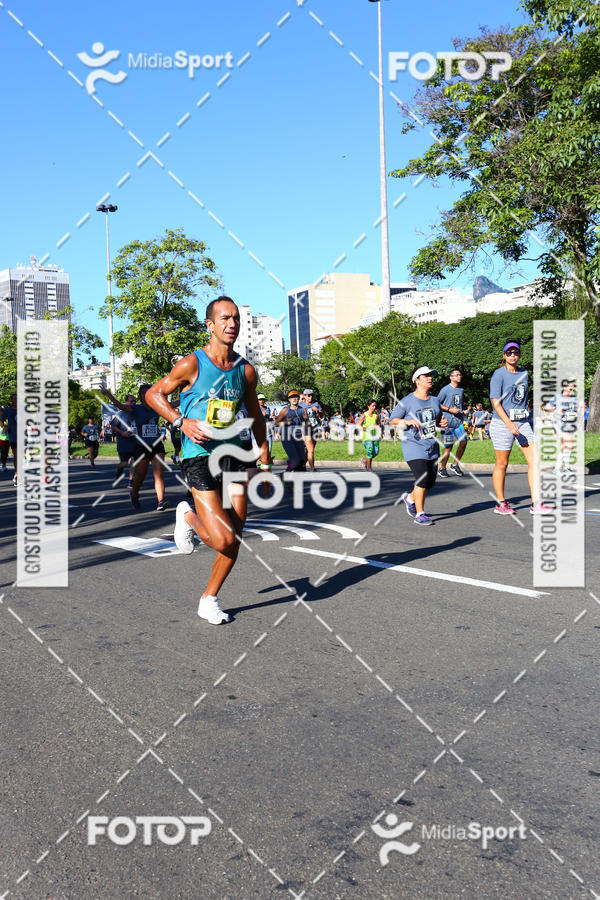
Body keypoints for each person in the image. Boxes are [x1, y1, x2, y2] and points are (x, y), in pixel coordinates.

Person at [145, 295, 270, 625]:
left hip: (235, 455)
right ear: (210, 325)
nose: (232, 324)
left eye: (236, 318)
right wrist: (180, 421)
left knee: (235, 536)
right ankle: (187, 515)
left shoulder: (245, 370)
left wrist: (265, 461)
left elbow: (256, 416)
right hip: (199, 455)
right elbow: (153, 394)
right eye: (225, 318)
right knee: (222, 538)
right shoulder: (192, 364)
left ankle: (208, 599)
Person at [489, 340, 551, 515]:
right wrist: (509, 423)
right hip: (502, 423)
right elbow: (495, 402)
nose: (512, 355)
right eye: (509, 352)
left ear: (519, 354)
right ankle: (501, 503)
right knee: (502, 463)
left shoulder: (524, 373)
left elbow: (523, 399)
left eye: (515, 352)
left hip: (522, 422)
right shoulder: (498, 374)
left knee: (535, 459)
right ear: (504, 355)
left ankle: (536, 503)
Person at [389, 367, 455, 525]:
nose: (430, 378)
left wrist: (442, 423)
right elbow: (392, 421)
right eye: (426, 376)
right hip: (413, 445)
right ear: (417, 380)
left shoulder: (435, 400)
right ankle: (420, 514)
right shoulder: (407, 401)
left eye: (430, 376)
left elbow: (437, 420)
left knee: (430, 482)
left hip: (431, 445)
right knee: (423, 478)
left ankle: (410, 498)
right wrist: (407, 421)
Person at [101, 384, 169, 510]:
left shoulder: (157, 406)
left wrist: (190, 393)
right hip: (141, 446)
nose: (146, 394)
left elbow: (172, 405)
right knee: (141, 475)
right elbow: (119, 405)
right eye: (143, 393)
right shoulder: (136, 408)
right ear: (140, 396)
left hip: (156, 444)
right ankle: (134, 493)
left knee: (159, 474)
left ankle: (161, 501)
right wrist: (108, 394)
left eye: (148, 392)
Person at [437, 368, 468, 477]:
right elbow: (437, 403)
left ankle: (455, 465)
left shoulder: (461, 390)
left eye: (460, 375)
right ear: (451, 377)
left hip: (458, 422)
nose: (459, 376)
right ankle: (442, 468)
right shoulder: (445, 389)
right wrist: (449, 410)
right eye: (456, 375)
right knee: (449, 446)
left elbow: (458, 404)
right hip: (448, 423)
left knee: (464, 441)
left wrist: (461, 411)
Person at [274, 390, 308, 472]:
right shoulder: (285, 410)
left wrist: (306, 419)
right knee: (295, 461)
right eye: (292, 397)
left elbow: (307, 425)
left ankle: (295, 477)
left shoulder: (303, 410)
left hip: (298, 437)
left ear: (298, 398)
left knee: (302, 461)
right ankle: (285, 474)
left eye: (296, 397)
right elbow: (276, 424)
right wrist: (285, 422)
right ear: (289, 399)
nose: (294, 399)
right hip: (287, 437)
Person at [110, 394, 139, 484]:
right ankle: (119, 470)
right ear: (126, 402)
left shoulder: (138, 413)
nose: (133, 403)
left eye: (135, 401)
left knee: (134, 462)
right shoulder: (121, 413)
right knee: (124, 463)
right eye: (131, 401)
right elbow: (112, 426)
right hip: (124, 443)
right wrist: (122, 432)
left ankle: (130, 480)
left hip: (136, 442)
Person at [299, 388, 322, 472]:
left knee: (310, 449)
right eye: (308, 395)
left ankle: (302, 465)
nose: (310, 397)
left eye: (312, 395)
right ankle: (312, 468)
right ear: (304, 396)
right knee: (310, 450)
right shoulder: (300, 405)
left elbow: (321, 415)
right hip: (305, 428)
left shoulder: (316, 404)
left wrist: (318, 411)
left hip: (315, 428)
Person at [357, 400, 381, 470]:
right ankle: (369, 469)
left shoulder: (376, 416)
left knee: (375, 452)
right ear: (368, 406)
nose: (374, 407)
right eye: (373, 406)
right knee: (370, 452)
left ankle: (364, 460)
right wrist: (366, 428)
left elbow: (379, 424)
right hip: (366, 437)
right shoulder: (364, 415)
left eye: (375, 406)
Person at [1, 394, 18, 485]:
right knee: (16, 455)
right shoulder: (7, 411)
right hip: (13, 436)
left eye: (17, 399)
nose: (16, 400)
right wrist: (5, 427)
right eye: (14, 399)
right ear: (11, 400)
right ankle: (17, 473)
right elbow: (1, 421)